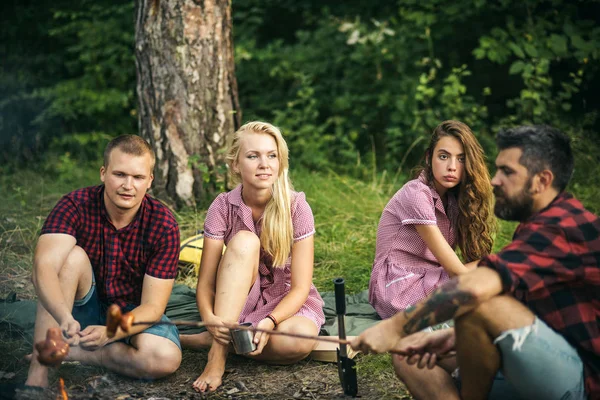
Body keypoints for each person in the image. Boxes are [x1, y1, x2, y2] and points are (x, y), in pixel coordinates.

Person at [352, 125, 599, 400]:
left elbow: (474, 288)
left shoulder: (562, 228)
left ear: (541, 181)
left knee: (480, 301)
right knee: (409, 354)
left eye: (507, 172)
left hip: (582, 382)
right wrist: (452, 338)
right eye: (497, 169)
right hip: (540, 359)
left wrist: (393, 328)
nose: (494, 180)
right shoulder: (532, 228)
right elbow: (528, 309)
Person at [25, 135, 182, 390]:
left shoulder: (163, 224)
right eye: (119, 174)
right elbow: (43, 267)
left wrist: (111, 331)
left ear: (149, 181)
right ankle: (38, 372)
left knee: (164, 358)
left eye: (138, 177)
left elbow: (153, 307)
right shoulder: (75, 205)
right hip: (79, 308)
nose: (128, 186)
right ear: (103, 173)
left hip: (131, 313)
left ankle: (77, 353)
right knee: (72, 257)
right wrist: (64, 317)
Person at [179, 121, 325, 393]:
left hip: (284, 303)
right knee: (246, 241)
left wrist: (270, 322)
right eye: (253, 156)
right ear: (235, 164)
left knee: (299, 342)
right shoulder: (222, 206)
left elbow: (301, 288)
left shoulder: (297, 207)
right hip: (237, 298)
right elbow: (206, 283)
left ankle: (209, 340)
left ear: (280, 161)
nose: (264, 164)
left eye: (272, 155)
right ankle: (217, 354)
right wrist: (210, 316)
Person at [369, 120, 496, 319]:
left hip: (430, 279)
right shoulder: (416, 194)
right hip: (397, 291)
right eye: (444, 156)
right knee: (496, 269)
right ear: (429, 158)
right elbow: (457, 273)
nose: (452, 167)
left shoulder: (454, 200)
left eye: (461, 159)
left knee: (493, 266)